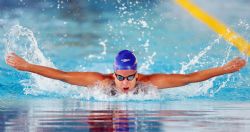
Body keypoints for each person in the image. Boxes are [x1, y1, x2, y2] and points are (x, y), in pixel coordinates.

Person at [5, 50, 246, 94]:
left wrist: (224, 70)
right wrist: (27, 66)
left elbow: (191, 79)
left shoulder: (149, 84)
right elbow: (62, 76)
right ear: (114, 73)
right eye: (121, 77)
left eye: (130, 77)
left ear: (136, 74)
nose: (125, 83)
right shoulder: (100, 83)